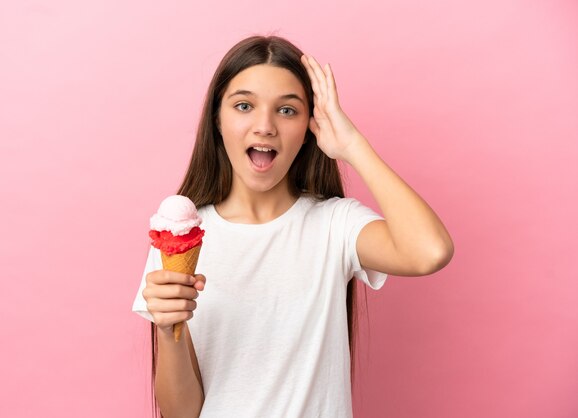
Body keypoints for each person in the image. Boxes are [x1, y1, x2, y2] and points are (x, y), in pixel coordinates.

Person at [131, 34, 454, 418]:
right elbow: (180, 413)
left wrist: (351, 145)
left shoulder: (336, 224)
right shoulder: (182, 241)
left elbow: (430, 251)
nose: (264, 126)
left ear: (309, 128)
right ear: (217, 120)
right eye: (244, 105)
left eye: (287, 110)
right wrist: (169, 330)